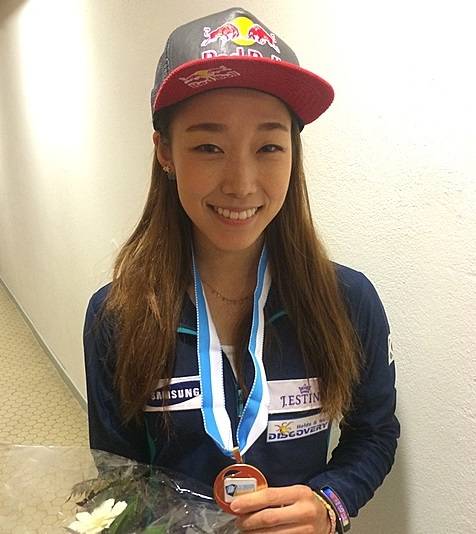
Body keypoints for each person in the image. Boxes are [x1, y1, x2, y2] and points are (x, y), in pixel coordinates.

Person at [83, 7, 399, 533]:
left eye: (269, 146)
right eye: (209, 146)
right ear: (165, 151)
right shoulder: (116, 314)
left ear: (293, 153)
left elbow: (375, 432)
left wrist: (330, 504)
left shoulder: (348, 299)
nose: (241, 183)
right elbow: (118, 477)